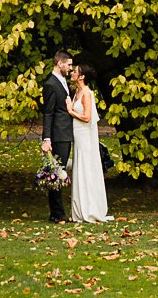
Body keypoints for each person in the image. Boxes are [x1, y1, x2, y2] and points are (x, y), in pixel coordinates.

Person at [68, 63, 112, 223]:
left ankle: (91, 208)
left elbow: (87, 117)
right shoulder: (77, 91)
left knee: (86, 167)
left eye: (75, 71)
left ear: (82, 76)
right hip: (78, 136)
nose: (72, 73)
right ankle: (80, 209)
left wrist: (70, 111)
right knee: (80, 167)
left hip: (85, 136)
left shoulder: (86, 93)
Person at [39, 49, 75, 223]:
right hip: (58, 135)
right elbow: (48, 113)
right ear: (59, 63)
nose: (70, 68)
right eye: (68, 65)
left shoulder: (62, 82)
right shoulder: (51, 84)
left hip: (65, 133)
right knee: (56, 173)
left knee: (58, 173)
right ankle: (57, 213)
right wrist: (47, 139)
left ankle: (58, 212)